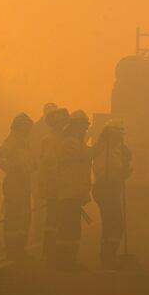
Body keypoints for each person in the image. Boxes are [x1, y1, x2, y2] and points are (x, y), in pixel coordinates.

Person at [0, 113, 37, 260]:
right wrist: (10, 168)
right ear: (18, 127)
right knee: (13, 216)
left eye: (28, 126)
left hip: (24, 183)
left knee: (25, 215)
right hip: (13, 183)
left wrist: (33, 166)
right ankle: (11, 249)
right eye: (24, 126)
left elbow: (30, 162)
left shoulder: (25, 143)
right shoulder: (11, 142)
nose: (27, 129)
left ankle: (20, 248)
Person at [54, 110, 93, 271]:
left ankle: (68, 260)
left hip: (73, 192)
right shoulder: (70, 143)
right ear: (75, 126)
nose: (84, 129)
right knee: (68, 228)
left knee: (72, 228)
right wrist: (104, 142)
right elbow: (88, 154)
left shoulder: (75, 142)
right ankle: (64, 261)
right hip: (68, 192)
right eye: (83, 126)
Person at [92, 119, 133, 269]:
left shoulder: (117, 148)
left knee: (111, 224)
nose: (120, 137)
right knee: (115, 223)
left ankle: (107, 256)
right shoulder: (104, 148)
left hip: (111, 187)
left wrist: (125, 168)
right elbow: (105, 170)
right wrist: (122, 171)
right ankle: (108, 256)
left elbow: (119, 170)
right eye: (117, 134)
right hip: (105, 187)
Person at [38, 108, 69, 260]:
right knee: (53, 218)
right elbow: (50, 164)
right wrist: (60, 181)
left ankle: (52, 249)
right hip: (54, 185)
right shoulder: (50, 139)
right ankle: (49, 250)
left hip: (60, 184)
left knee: (57, 217)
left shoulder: (61, 137)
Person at [29, 103, 58, 243]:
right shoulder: (36, 130)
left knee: (50, 209)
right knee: (40, 207)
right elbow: (33, 152)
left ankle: (47, 239)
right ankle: (38, 238)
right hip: (39, 175)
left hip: (52, 176)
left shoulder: (57, 131)